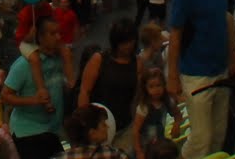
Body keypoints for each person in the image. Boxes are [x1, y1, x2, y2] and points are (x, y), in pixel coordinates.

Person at [167, 0, 235, 159]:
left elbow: (224, 20)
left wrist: (233, 54)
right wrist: (172, 76)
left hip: (220, 69)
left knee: (218, 135)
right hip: (196, 74)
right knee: (201, 138)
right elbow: (175, 34)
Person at [2, 16, 66, 159]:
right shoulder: (23, 65)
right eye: (53, 34)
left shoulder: (57, 59)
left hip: (53, 130)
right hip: (29, 132)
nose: (58, 37)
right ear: (40, 37)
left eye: (59, 33)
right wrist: (34, 100)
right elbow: (5, 96)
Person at [76, 19, 138, 153]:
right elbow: (85, 91)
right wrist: (86, 123)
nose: (127, 46)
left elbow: (136, 97)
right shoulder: (99, 59)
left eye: (130, 41)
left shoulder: (138, 63)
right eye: (123, 42)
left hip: (125, 125)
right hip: (99, 127)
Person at [132, 67, 180, 159]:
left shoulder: (167, 101)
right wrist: (139, 151)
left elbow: (177, 114)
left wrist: (176, 125)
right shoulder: (144, 107)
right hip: (145, 145)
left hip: (159, 144)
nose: (156, 90)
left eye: (158, 85)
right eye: (151, 86)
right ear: (145, 88)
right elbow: (136, 131)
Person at [60, 104, 127, 159]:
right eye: (103, 124)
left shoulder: (62, 157)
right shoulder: (116, 155)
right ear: (92, 133)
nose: (107, 126)